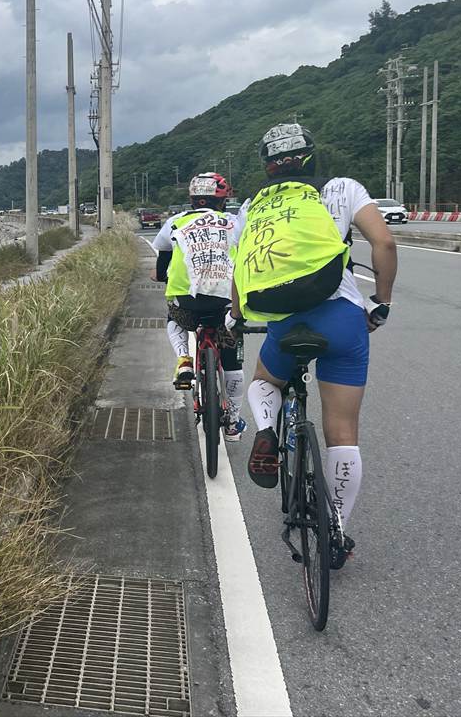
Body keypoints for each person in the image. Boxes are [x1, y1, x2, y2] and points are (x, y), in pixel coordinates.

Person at [227, 123, 397, 568]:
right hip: (342, 318)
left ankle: (267, 429)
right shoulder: (343, 188)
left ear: (267, 165)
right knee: (342, 432)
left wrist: (237, 315)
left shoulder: (252, 205)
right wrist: (381, 303)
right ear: (310, 155)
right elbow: (383, 241)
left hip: (285, 320)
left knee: (265, 380)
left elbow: (240, 265)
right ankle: (335, 529)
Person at [151, 172, 246, 440]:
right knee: (232, 359)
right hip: (226, 301)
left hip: (187, 301)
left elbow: (162, 264)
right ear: (223, 200)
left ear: (193, 199)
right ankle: (233, 423)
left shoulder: (176, 221)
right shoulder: (235, 222)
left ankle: (184, 359)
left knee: (174, 318)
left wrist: (161, 276)